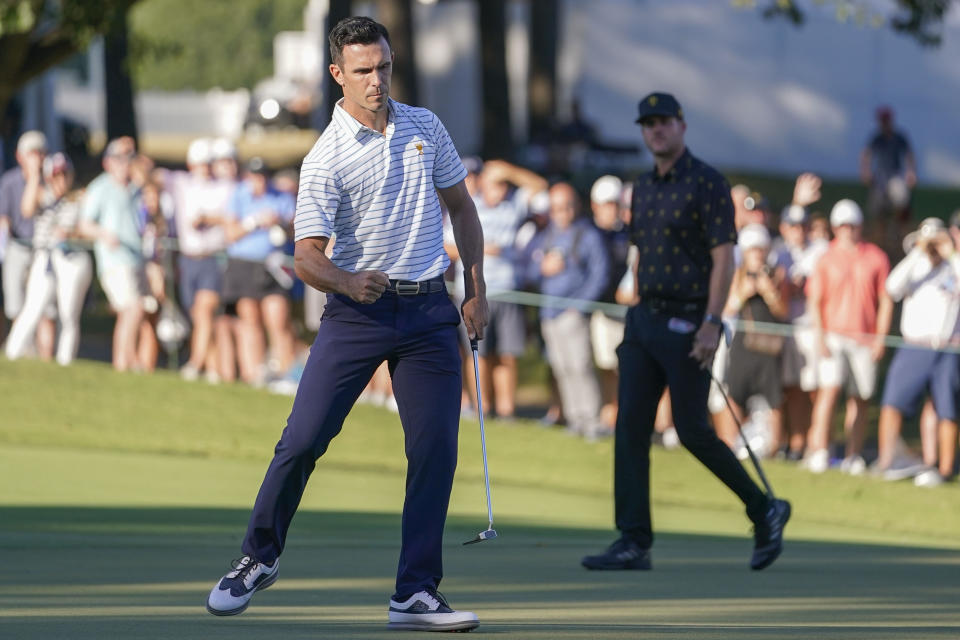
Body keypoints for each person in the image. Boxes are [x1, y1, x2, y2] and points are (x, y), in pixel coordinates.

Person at [205, 17, 488, 632]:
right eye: (363, 70)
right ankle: (257, 556)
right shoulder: (324, 157)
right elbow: (306, 255)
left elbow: (462, 209)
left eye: (383, 67)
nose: (377, 80)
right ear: (338, 74)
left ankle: (415, 592)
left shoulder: (425, 127)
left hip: (428, 311)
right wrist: (346, 280)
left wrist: (476, 291)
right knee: (302, 440)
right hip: (355, 313)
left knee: (436, 449)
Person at [581, 92, 790, 573]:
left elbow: (724, 257)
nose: (655, 130)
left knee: (694, 430)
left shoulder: (707, 183)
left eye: (663, 122)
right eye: (648, 124)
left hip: (690, 320)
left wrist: (712, 323)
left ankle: (763, 509)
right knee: (630, 426)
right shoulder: (644, 187)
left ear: (681, 126)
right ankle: (633, 540)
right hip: (644, 319)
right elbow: (641, 254)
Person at [803, 199, 892, 474]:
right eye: (842, 225)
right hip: (833, 336)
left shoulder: (876, 256)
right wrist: (819, 337)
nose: (847, 230)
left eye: (852, 225)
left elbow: (885, 300)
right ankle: (819, 450)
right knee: (828, 393)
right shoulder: (825, 258)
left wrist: (880, 337)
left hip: (864, 339)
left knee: (860, 397)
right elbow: (815, 301)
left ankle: (853, 455)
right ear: (834, 227)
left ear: (860, 226)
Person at [874, 218, 960, 486]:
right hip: (915, 345)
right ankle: (887, 461)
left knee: (944, 409)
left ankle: (941, 468)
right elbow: (892, 287)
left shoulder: (953, 266)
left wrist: (951, 253)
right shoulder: (916, 266)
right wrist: (918, 250)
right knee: (893, 403)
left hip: (948, 348)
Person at [525, 182, 609, 439]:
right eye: (556, 207)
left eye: (566, 206)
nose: (562, 212)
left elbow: (600, 275)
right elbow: (527, 270)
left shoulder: (588, 235)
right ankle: (575, 419)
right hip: (549, 315)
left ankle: (592, 421)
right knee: (562, 368)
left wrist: (579, 306)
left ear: (576, 206)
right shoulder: (546, 235)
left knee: (580, 367)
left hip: (573, 315)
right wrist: (542, 268)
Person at [5, 152, 92, 365]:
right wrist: (35, 174)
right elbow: (26, 209)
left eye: (64, 174)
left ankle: (64, 360)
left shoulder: (78, 200)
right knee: (32, 309)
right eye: (56, 175)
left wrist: (71, 234)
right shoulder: (43, 197)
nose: (61, 180)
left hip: (69, 260)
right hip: (46, 260)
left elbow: (84, 229)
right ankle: (11, 355)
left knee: (67, 313)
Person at [719, 224, 789, 454]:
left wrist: (768, 291)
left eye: (761, 250)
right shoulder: (735, 274)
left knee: (773, 397)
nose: (757, 255)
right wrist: (744, 293)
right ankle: (731, 443)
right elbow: (727, 308)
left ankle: (773, 448)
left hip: (768, 348)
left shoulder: (777, 274)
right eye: (753, 250)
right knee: (735, 392)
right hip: (742, 345)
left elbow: (783, 311)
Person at [78, 138, 147, 372]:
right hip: (114, 259)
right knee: (132, 308)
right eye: (119, 158)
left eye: (128, 158)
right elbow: (85, 224)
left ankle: (124, 362)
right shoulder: (101, 188)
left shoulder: (136, 187)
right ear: (108, 162)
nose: (124, 163)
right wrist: (105, 235)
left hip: (136, 257)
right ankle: (128, 361)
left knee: (131, 312)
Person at [0, 130, 55, 358]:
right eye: (33, 153)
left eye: (41, 153)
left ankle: (45, 357)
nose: (38, 158)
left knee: (45, 310)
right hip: (17, 247)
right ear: (20, 156)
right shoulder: (10, 181)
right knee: (17, 306)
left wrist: (35, 178)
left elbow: (32, 207)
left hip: (43, 251)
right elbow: (12, 215)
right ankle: (23, 352)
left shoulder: (52, 181)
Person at [589, 174, 632, 429]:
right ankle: (608, 414)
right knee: (605, 365)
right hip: (599, 310)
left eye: (614, 203)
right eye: (606, 203)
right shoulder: (590, 231)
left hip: (625, 310)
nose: (611, 209)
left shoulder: (627, 233)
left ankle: (620, 416)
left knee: (624, 368)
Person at [860, 106, 916, 253]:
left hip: (895, 174)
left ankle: (899, 231)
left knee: (902, 200)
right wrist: (866, 172)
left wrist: (910, 172)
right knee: (877, 208)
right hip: (880, 176)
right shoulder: (877, 138)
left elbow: (909, 154)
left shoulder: (899, 137)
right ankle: (880, 238)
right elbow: (866, 154)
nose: (884, 123)